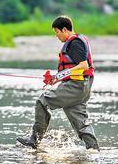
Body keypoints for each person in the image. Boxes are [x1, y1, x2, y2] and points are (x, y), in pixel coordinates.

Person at [17, 15, 99, 150]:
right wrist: (55, 79)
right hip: (82, 87)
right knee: (81, 124)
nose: (57, 36)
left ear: (65, 29)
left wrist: (58, 76)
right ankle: (94, 151)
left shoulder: (75, 43)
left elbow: (83, 65)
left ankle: (34, 139)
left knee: (42, 101)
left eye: (57, 32)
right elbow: (75, 70)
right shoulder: (78, 40)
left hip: (75, 87)